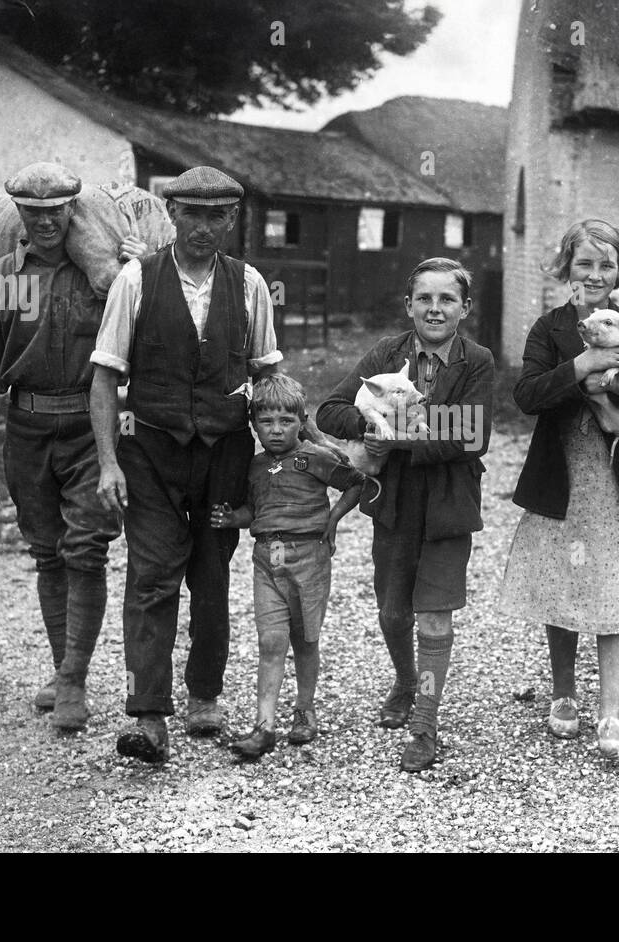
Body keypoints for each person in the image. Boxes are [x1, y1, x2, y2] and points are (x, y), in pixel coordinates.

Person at [91, 165, 282, 764]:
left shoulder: (249, 284)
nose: (204, 227)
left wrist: (281, 461)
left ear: (233, 220)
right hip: (150, 453)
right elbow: (103, 379)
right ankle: (149, 718)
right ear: (171, 215)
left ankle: (204, 694)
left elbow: (268, 377)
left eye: (217, 216)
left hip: (223, 456)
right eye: (192, 214)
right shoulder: (135, 279)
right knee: (151, 577)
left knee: (211, 575)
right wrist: (107, 465)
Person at [498, 220, 619, 758]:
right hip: (566, 470)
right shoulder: (550, 328)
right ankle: (562, 695)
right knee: (563, 582)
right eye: (585, 264)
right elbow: (527, 395)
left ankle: (612, 713)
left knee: (618, 586)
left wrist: (616, 382)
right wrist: (585, 364)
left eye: (607, 265)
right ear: (566, 269)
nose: (596, 275)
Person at [0, 161, 136, 731]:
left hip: (92, 428)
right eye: (32, 211)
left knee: (86, 549)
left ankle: (72, 681)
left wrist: (140, 273)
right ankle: (63, 665)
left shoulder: (107, 275)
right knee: (47, 553)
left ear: (73, 210)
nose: (45, 222)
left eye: (55, 211)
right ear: (18, 211)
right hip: (27, 428)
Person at [317, 257, 494, 772]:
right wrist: (368, 426)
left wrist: (397, 434)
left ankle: (426, 719)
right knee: (394, 611)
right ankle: (405, 678)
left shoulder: (476, 360)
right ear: (409, 305)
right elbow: (331, 409)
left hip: (447, 503)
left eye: (447, 300)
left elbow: (473, 434)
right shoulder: (386, 353)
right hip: (393, 501)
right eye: (425, 298)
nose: (434, 308)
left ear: (464, 308)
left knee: (435, 613)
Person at [209, 375, 366, 759]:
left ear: (302, 421)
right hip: (266, 559)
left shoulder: (315, 457)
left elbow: (357, 482)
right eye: (266, 422)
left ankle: (304, 709)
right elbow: (256, 511)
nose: (276, 430)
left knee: (306, 638)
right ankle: (264, 726)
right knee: (270, 641)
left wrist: (333, 519)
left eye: (286, 421)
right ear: (254, 423)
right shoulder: (255, 466)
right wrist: (233, 519)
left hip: (309, 558)